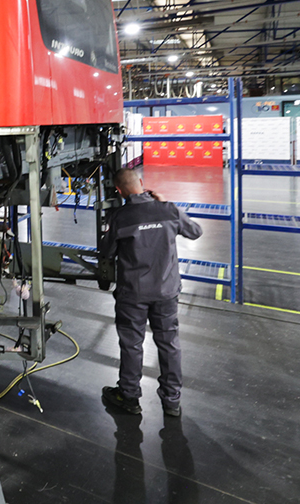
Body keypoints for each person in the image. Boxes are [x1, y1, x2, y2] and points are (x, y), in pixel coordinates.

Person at [100, 168, 202, 417]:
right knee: (169, 344)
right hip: (166, 293)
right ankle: (172, 400)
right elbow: (195, 231)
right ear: (142, 183)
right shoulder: (168, 210)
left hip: (133, 294)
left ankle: (129, 396)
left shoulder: (120, 217)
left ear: (119, 191)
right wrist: (165, 203)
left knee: (132, 344)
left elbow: (106, 252)